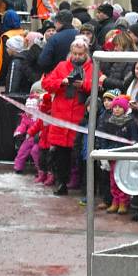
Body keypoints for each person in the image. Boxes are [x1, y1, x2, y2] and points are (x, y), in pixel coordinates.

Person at [41, 36, 96, 196]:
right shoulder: (61, 66)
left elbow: (97, 85)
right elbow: (47, 84)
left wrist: (84, 85)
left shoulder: (92, 68)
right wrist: (62, 82)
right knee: (60, 153)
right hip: (61, 116)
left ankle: (80, 184)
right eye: (75, 53)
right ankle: (61, 182)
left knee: (79, 153)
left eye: (80, 54)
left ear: (86, 53)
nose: (77, 57)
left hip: (79, 117)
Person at [97, 96, 138, 214]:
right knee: (113, 180)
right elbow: (104, 139)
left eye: (119, 107)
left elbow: (134, 139)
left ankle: (123, 202)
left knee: (123, 179)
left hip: (125, 156)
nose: (116, 109)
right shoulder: (108, 122)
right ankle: (115, 201)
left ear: (125, 109)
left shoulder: (131, 123)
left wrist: (133, 152)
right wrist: (104, 153)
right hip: (112, 155)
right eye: (115, 107)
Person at [38, 9, 80, 74]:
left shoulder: (54, 38)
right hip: (78, 76)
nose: (54, 25)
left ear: (58, 22)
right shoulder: (81, 36)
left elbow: (43, 62)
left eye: (55, 22)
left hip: (58, 76)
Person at [0, 10, 28, 87]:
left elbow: (5, 57)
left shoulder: (6, 36)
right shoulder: (23, 32)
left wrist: (1, 77)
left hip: (10, 70)